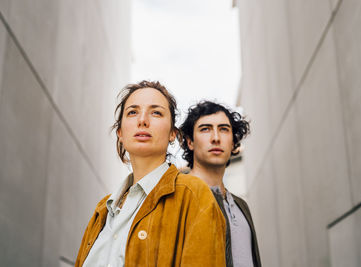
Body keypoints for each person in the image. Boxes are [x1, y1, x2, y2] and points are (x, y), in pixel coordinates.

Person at [75, 81, 226, 267]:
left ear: (172, 133)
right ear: (120, 133)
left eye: (156, 112)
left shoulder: (193, 195)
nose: (143, 120)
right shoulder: (102, 210)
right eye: (132, 112)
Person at [180, 101, 261, 267]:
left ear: (233, 143)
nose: (216, 138)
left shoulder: (241, 205)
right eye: (205, 129)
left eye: (224, 129)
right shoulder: (178, 197)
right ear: (190, 142)